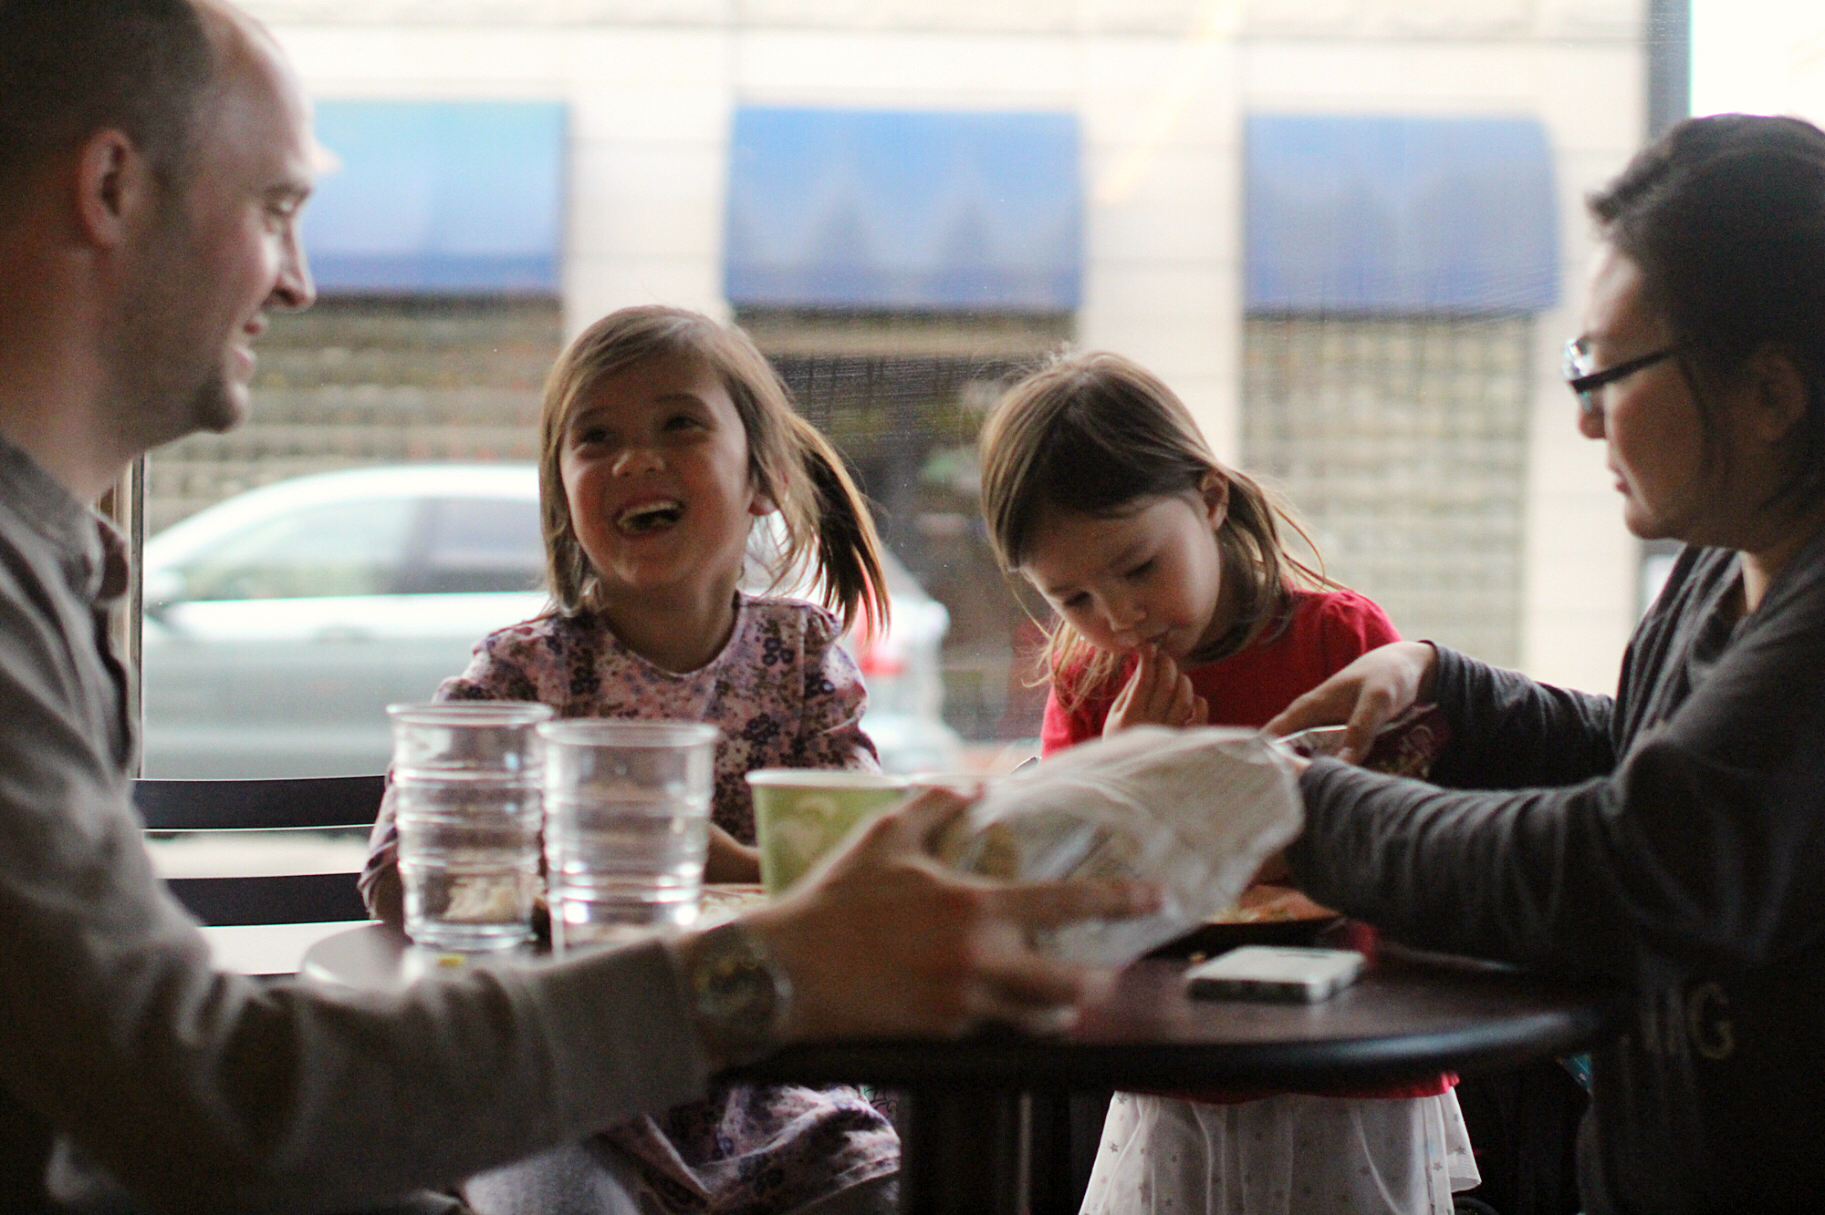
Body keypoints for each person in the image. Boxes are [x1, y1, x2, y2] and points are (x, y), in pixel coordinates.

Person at [0, 2, 1157, 1211]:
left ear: (758, 481)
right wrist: (763, 968)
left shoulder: (49, 574)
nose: (299, 283)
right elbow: (208, 1096)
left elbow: (148, 1097)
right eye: (275, 209)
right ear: (112, 188)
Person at [1264, 113, 1825, 1213]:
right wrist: (1449, 694)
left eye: (1608, 370)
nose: (1586, 420)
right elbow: (1663, 760)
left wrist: (1298, 810)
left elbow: (1634, 860)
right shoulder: (1723, 561)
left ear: (1769, 392)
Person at [361, 305, 904, 1215]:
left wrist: (714, 863)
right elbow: (396, 873)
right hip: (563, 1081)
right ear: (562, 496)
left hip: (772, 1087)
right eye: (595, 438)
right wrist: (554, 889)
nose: (633, 460)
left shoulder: (800, 655)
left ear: (762, 480)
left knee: (877, 1190)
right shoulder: (522, 674)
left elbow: (854, 861)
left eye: (678, 424)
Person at [977, 351, 1478, 1215]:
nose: (1119, 615)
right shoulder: (1093, 684)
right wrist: (1120, 775)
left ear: (1208, 499)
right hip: (1174, 1064)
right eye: (1074, 599)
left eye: (1139, 567)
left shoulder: (1339, 642)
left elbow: (1407, 829)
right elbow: (1060, 898)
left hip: (1341, 1054)